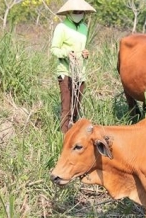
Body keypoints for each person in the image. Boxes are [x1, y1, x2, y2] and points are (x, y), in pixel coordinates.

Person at [51, 0, 96, 133]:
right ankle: (64, 138)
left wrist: (85, 54)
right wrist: (66, 53)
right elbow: (54, 49)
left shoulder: (84, 28)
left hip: (80, 73)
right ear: (69, 13)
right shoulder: (62, 27)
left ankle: (74, 135)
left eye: (81, 12)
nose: (78, 14)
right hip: (66, 71)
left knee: (76, 107)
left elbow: (82, 49)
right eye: (75, 12)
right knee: (67, 108)